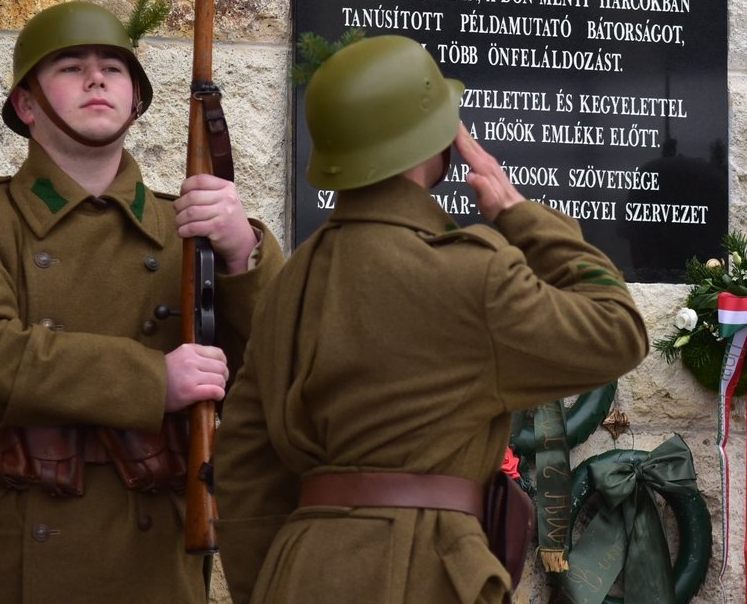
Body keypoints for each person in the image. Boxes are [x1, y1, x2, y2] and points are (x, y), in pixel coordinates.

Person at [214, 34, 650, 604]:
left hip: (299, 573)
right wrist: (519, 214)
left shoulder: (288, 285)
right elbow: (617, 332)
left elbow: (245, 466)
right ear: (436, 142)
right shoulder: (471, 273)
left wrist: (277, 582)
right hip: (427, 574)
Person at [0, 0, 283, 603]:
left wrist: (242, 256)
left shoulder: (189, 230)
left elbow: (281, 373)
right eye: (71, 66)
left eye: (113, 68)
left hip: (148, 548)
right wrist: (153, 380)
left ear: (137, 100)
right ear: (27, 104)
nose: (96, 78)